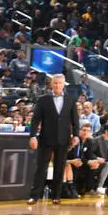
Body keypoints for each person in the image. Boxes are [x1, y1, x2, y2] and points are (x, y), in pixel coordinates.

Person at [27, 73, 80, 205]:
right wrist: (33, 136)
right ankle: (34, 196)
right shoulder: (43, 99)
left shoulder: (70, 99)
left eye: (60, 83)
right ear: (52, 84)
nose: (57, 85)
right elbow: (35, 120)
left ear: (63, 84)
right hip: (46, 138)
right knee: (41, 168)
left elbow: (75, 120)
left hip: (64, 138)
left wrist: (76, 135)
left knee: (59, 168)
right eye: (55, 83)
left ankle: (56, 196)